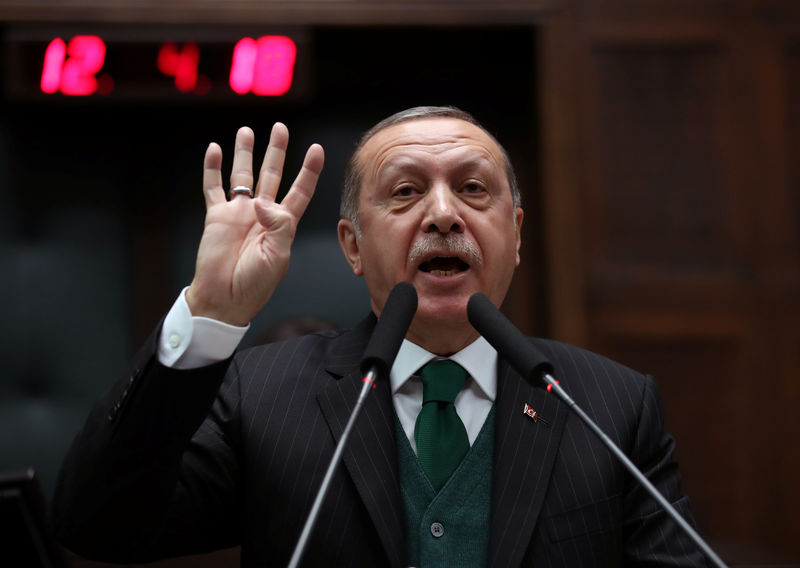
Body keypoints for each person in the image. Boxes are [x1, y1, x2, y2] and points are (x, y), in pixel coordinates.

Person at [53, 107, 708, 567]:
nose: (445, 214)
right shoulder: (263, 394)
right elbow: (99, 525)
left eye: (473, 190)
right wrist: (208, 313)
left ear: (515, 237)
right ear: (353, 246)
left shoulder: (610, 406)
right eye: (405, 192)